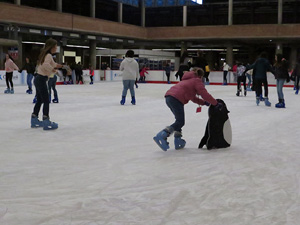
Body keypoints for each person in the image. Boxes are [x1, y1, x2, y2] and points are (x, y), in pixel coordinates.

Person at [153, 68, 220, 151]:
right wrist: (215, 103)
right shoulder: (196, 80)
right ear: (200, 76)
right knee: (180, 121)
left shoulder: (187, 80)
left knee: (178, 120)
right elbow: (204, 94)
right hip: (176, 99)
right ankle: (163, 134)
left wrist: (205, 103)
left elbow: (193, 98)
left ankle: (178, 140)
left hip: (169, 97)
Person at [31, 38, 62, 130]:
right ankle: (46, 120)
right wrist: (54, 71)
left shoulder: (46, 55)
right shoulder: (48, 55)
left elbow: (53, 63)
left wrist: (60, 66)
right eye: (55, 46)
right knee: (46, 100)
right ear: (51, 47)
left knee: (40, 100)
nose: (56, 48)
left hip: (38, 78)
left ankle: (34, 118)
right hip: (41, 79)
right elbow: (46, 65)